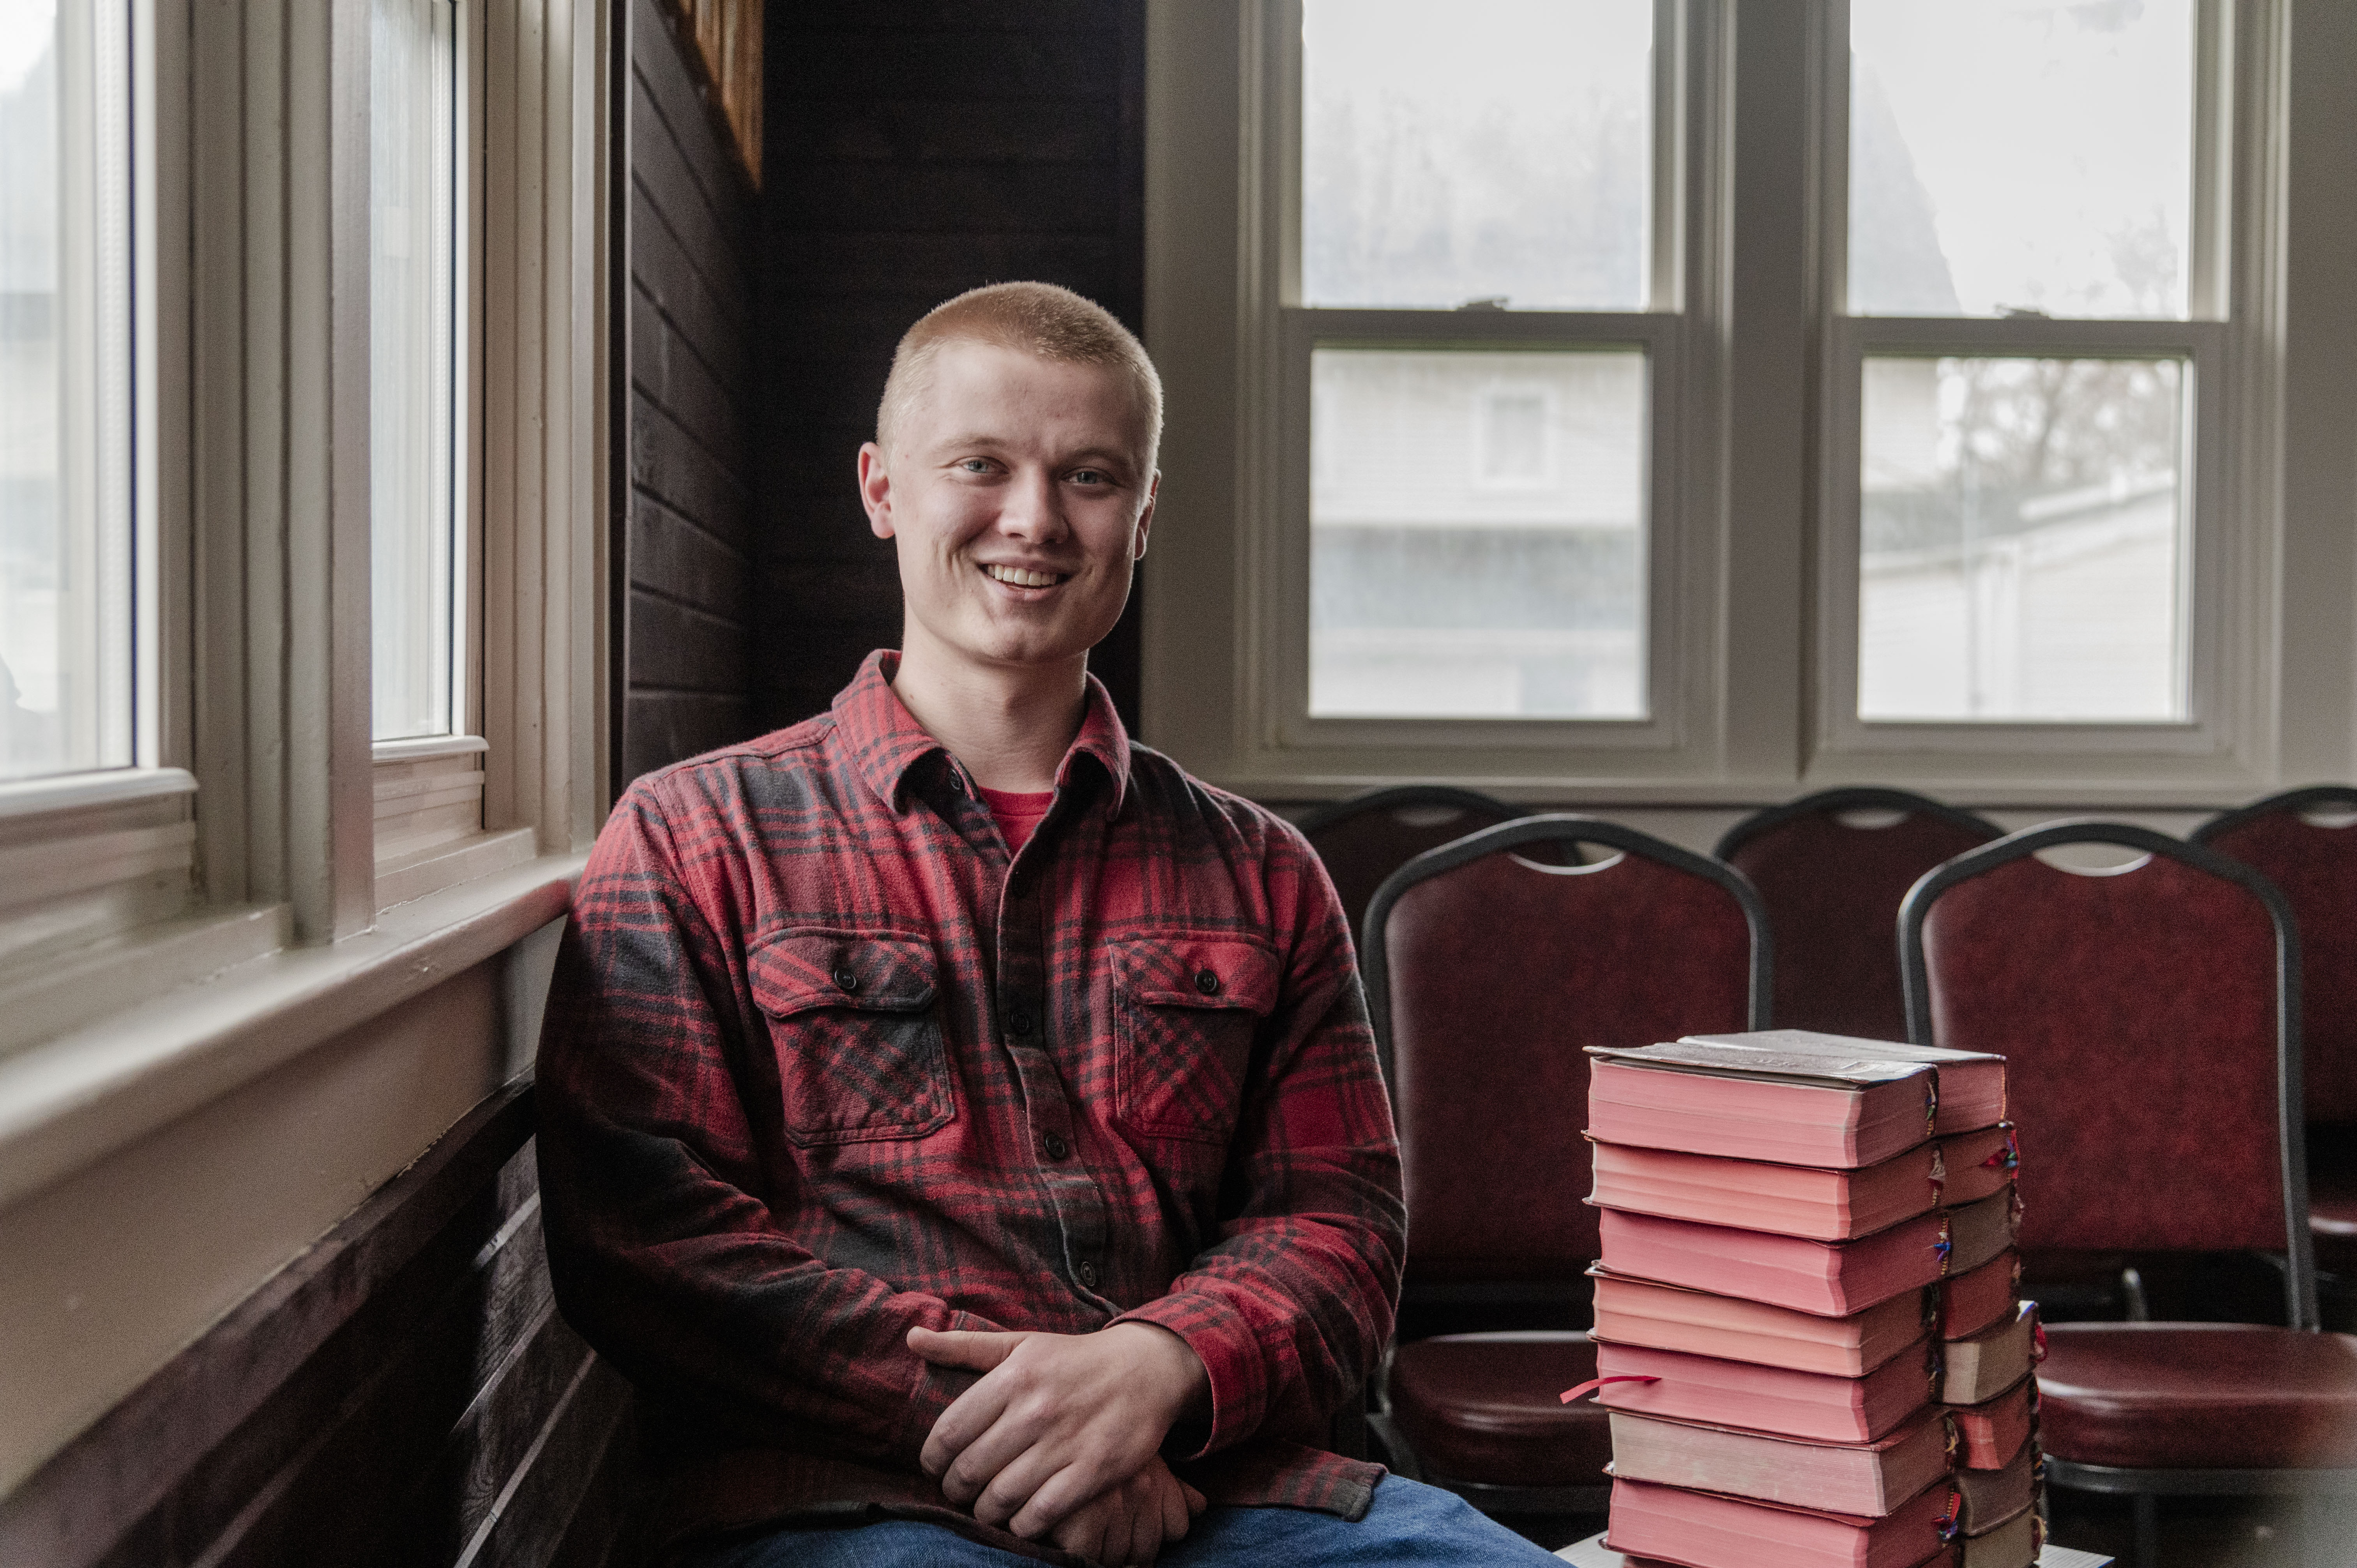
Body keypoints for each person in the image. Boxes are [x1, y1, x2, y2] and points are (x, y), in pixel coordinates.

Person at [536, 283, 1560, 1566]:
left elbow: (1339, 1226)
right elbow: (650, 1240)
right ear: (882, 490)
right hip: (857, 1500)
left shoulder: (1262, 873)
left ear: (1142, 517)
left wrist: (1156, 1373)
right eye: (982, 465)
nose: (1034, 519)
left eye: (1088, 475)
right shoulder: (694, 838)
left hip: (1230, 1489)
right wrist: (1030, 1433)